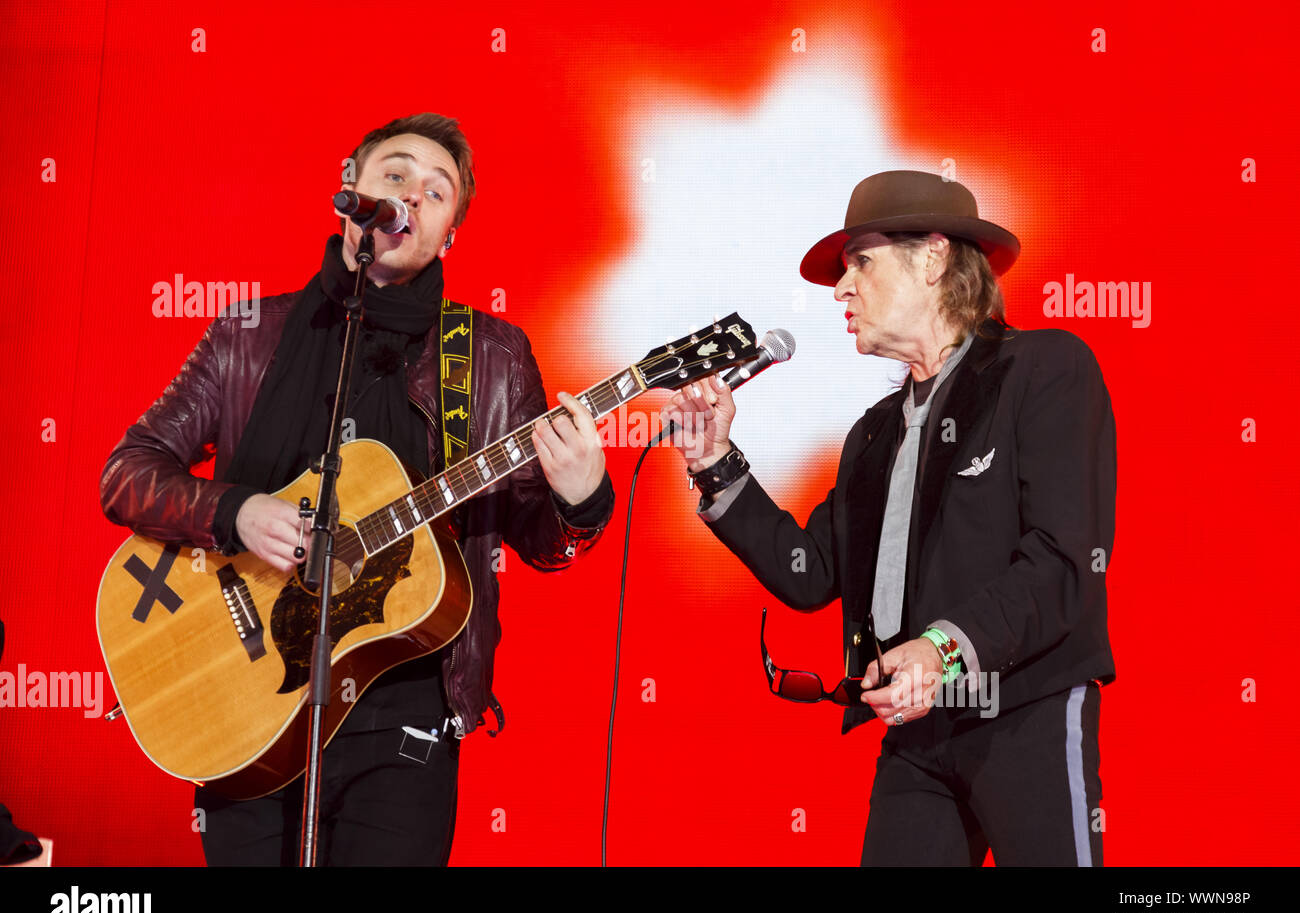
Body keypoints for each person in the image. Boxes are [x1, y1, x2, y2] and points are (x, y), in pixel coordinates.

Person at [100, 113, 614, 866]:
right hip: (242, 713)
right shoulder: (249, 333)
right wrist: (235, 511)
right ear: (351, 187)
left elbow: (541, 540)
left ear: (449, 236)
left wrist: (582, 497)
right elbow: (129, 472)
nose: (412, 195)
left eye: (437, 193)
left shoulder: (492, 357)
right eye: (395, 175)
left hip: (402, 726)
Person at [661, 170, 1116, 866]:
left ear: (933, 258)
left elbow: (1062, 562)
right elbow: (810, 575)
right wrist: (716, 461)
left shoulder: (1044, 368)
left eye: (860, 263)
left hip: (1026, 705)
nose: (841, 289)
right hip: (915, 736)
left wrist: (941, 649)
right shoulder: (873, 435)